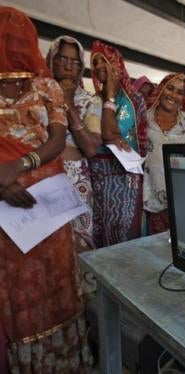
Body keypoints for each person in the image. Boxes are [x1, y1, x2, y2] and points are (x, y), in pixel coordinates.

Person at [0, 7, 92, 373]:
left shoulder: (45, 85)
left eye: (19, 37)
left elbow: (57, 140)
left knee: (56, 287)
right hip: (7, 214)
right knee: (18, 292)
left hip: (48, 208)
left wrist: (19, 166)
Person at [90, 40, 148, 247]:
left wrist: (112, 95)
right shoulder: (93, 99)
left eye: (102, 61)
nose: (97, 67)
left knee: (123, 235)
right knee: (101, 233)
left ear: (115, 65)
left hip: (123, 175)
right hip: (97, 175)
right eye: (94, 63)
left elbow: (109, 133)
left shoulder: (133, 99)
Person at [46, 35, 102, 252]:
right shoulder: (39, 94)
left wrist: (67, 103)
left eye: (75, 61)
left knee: (78, 244)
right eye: (62, 59)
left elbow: (90, 147)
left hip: (75, 177)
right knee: (49, 244)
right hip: (43, 175)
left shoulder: (90, 101)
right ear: (51, 59)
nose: (69, 66)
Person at [144, 73, 185, 234]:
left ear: (184, 97)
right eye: (170, 88)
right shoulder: (145, 117)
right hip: (149, 197)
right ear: (161, 88)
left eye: (179, 92)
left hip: (180, 198)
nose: (173, 95)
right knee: (152, 248)